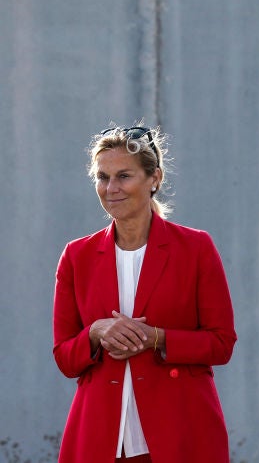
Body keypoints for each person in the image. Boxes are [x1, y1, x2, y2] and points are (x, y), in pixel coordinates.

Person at [52, 125, 236, 463]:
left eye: (124, 176)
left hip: (180, 431)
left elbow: (222, 343)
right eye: (102, 177)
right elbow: (64, 357)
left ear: (155, 179)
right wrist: (95, 332)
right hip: (99, 437)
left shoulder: (196, 248)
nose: (111, 188)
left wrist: (157, 338)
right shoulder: (76, 256)